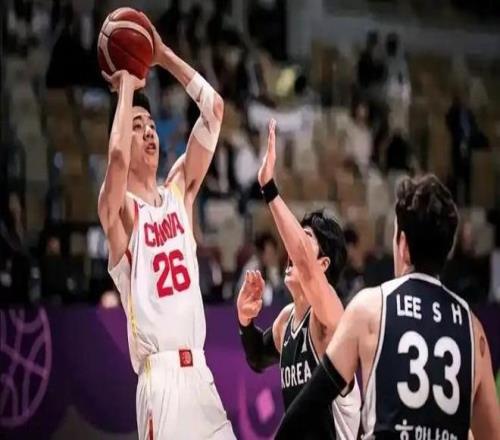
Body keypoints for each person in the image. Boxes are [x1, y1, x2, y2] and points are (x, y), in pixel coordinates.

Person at [275, 175, 500, 440]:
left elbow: (307, 406)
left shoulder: (370, 308)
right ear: (447, 249)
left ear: (402, 245)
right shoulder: (473, 330)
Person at [99, 21, 235, 440]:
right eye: (137, 126)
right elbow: (117, 158)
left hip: (201, 375)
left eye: (152, 125)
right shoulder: (121, 211)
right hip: (161, 382)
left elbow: (214, 110)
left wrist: (163, 56)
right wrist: (126, 85)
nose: (148, 132)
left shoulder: (178, 191)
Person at [237, 120, 361, 439]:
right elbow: (256, 358)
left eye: (304, 241)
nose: (292, 251)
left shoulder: (330, 316)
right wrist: (245, 321)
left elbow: (305, 263)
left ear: (323, 263)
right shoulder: (285, 322)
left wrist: (268, 187)